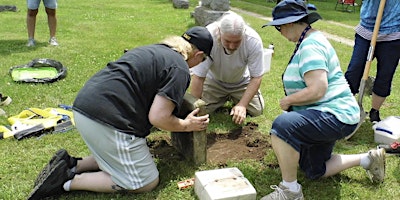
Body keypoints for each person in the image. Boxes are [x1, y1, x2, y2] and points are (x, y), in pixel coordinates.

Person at [27, 26, 213, 199]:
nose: (199, 64)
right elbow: (159, 118)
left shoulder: (154, 50)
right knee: (144, 181)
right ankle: (66, 181)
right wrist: (186, 125)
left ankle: (73, 164)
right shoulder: (179, 68)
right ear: (198, 54)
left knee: (119, 158)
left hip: (85, 109)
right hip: (108, 121)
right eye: (202, 60)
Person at [260, 1, 385, 199]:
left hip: (334, 114)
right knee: (313, 170)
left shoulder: (311, 45)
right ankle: (367, 160)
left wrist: (288, 101)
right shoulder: (310, 40)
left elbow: (318, 89)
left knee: (283, 126)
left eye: (279, 26)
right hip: (331, 114)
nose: (279, 32)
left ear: (291, 23)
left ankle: (290, 191)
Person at [190, 11, 265, 125]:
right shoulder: (208, 38)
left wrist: (242, 105)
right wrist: (194, 108)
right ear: (219, 32)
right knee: (202, 110)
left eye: (237, 42)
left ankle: (235, 100)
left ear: (243, 33)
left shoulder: (253, 41)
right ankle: (222, 98)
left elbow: (256, 77)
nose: (231, 46)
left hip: (241, 82)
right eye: (227, 41)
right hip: (214, 81)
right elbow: (199, 77)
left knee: (256, 111)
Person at [344, 0, 400, 123]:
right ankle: (345, 106)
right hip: (366, 29)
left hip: (394, 33)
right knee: (355, 69)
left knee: (385, 75)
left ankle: (375, 111)